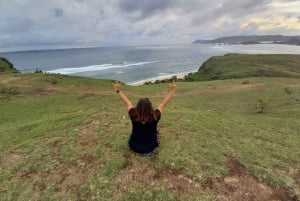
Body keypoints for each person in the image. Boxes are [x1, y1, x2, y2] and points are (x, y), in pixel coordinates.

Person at [114, 81, 177, 155]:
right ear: (150, 107)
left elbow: (127, 102)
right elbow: (164, 103)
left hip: (134, 147)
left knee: (132, 135)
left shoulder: (133, 114)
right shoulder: (155, 116)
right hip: (150, 149)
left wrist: (117, 90)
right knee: (157, 133)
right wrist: (173, 90)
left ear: (137, 107)